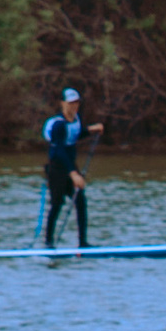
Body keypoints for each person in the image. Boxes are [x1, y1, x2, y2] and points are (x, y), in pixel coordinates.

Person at [38, 87, 102, 249]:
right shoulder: (58, 125)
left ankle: (83, 243)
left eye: (76, 103)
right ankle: (48, 243)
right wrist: (73, 174)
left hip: (70, 166)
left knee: (80, 201)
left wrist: (91, 130)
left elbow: (75, 135)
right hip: (56, 169)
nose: (74, 106)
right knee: (57, 204)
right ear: (63, 104)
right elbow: (60, 150)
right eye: (70, 103)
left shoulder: (75, 120)